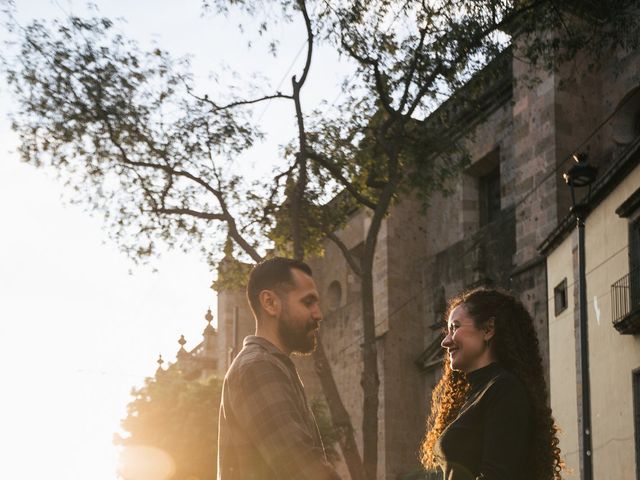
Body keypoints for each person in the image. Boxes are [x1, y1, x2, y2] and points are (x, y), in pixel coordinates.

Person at [217, 257, 341, 480]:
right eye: (308, 302)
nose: (318, 314)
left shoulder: (270, 366)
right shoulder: (258, 368)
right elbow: (304, 471)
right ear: (270, 303)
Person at [420, 287, 563, 480]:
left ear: (488, 330)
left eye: (454, 328)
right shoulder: (475, 395)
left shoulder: (504, 389)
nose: (445, 341)